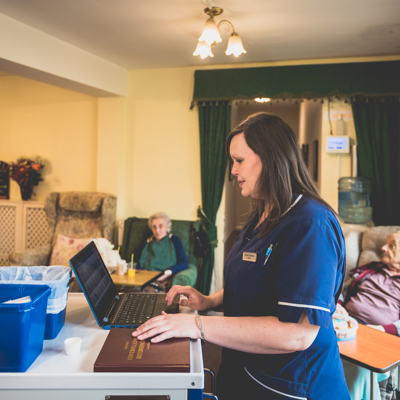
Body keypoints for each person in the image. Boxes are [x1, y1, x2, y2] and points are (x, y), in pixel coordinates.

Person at [133, 112, 350, 400]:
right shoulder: (263, 212)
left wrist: (197, 324)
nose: (232, 171)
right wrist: (210, 301)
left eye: (239, 160)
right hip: (247, 369)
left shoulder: (310, 224)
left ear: (271, 158)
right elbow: (255, 280)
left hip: (293, 384)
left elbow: (298, 334)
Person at [336, 231, 400, 400]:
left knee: (359, 370)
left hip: (380, 337)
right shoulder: (371, 270)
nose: (383, 248)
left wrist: (381, 329)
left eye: (391, 245)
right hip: (346, 323)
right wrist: (338, 304)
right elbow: (342, 290)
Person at [134, 212, 188, 291]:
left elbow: (184, 263)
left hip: (163, 279)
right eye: (154, 227)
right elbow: (134, 261)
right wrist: (143, 272)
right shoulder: (148, 242)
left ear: (168, 227)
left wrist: (168, 273)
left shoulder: (175, 240)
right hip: (145, 278)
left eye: (161, 226)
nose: (157, 230)